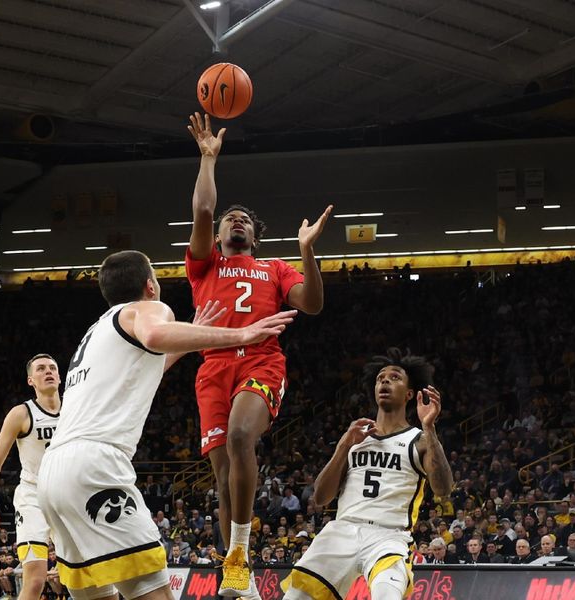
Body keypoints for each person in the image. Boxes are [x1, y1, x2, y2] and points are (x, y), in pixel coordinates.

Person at [37, 250, 295, 600]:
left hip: (52, 475)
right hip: (94, 467)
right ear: (150, 285)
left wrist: (192, 339)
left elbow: (143, 373)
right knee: (152, 592)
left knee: (98, 596)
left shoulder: (97, 331)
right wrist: (242, 335)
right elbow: (157, 336)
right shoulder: (147, 309)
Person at [186, 111, 331, 597]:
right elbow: (204, 211)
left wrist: (307, 251)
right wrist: (208, 160)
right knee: (224, 480)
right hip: (213, 369)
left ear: (256, 236)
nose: (237, 221)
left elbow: (311, 305)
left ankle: (241, 552)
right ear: (223, 233)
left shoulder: (273, 267)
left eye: (245, 219)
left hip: (260, 360)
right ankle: (236, 575)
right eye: (232, 218)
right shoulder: (204, 264)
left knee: (241, 436)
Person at [283, 349, 453, 600]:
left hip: (389, 536)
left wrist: (429, 427)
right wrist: (343, 446)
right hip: (342, 530)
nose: (384, 381)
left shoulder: (419, 440)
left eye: (394, 377)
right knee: (296, 597)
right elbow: (320, 497)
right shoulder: (355, 438)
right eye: (380, 378)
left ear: (409, 394)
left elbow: (443, 488)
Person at [0, 353, 62, 600]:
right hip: (33, 497)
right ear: (30, 380)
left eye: (52, 368)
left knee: (82, 575)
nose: (47, 371)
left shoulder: (76, 407)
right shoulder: (22, 413)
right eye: (40, 369)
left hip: (68, 496)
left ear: (59, 376)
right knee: (35, 580)